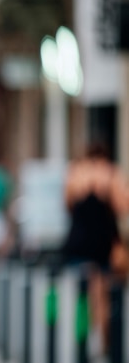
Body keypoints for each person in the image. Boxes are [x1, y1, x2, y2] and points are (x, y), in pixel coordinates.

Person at [62, 141, 129, 355]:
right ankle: (104, 343)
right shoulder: (110, 173)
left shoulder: (75, 173)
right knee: (102, 297)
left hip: (79, 241)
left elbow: (67, 204)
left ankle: (82, 342)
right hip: (102, 243)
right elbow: (123, 207)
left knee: (83, 293)